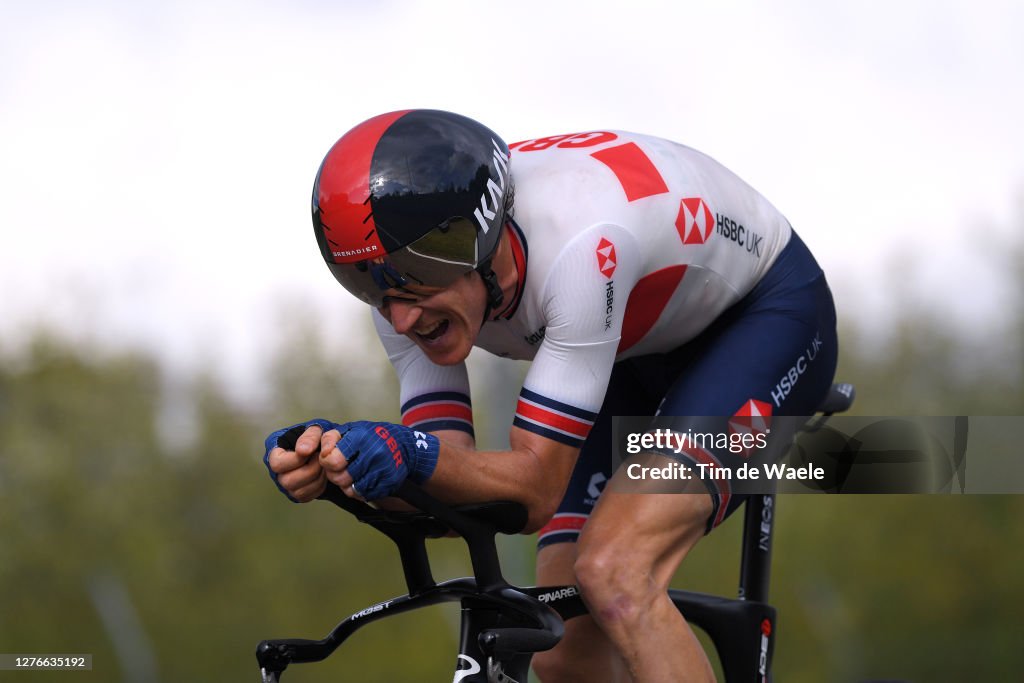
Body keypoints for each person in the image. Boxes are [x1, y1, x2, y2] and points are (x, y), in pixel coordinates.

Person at [263, 109, 838, 682]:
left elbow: (533, 492)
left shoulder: (580, 248)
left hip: (761, 319)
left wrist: (410, 455)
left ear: (477, 242)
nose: (400, 315)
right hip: (628, 345)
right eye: (366, 283)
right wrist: (344, 468)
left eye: (414, 280)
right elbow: (457, 501)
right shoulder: (401, 300)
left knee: (616, 572)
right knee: (564, 648)